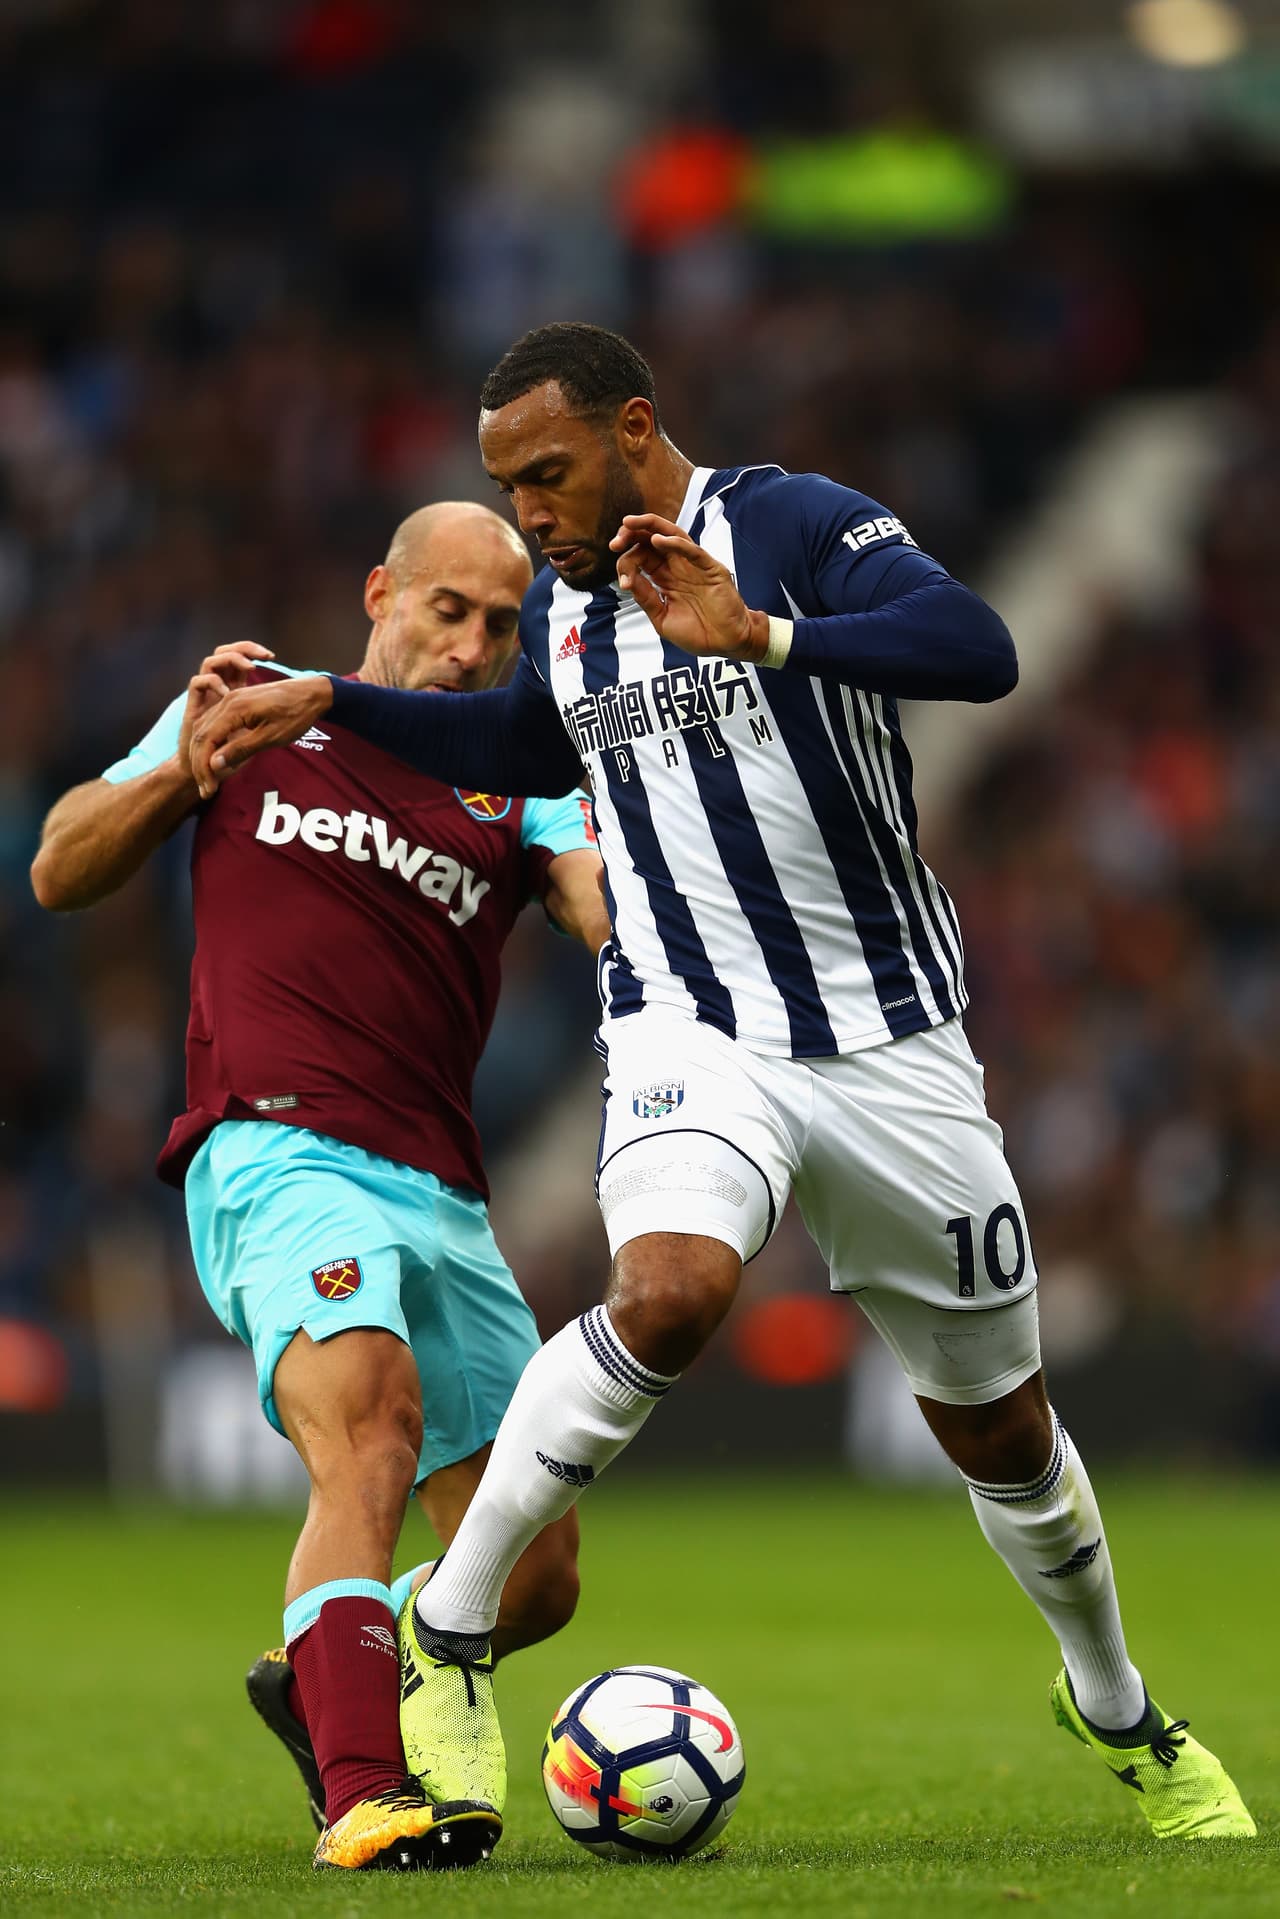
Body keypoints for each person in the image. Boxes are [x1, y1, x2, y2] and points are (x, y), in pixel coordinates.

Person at [188, 323, 1255, 1847]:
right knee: (674, 1287)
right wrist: (336, 704)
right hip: (691, 1024)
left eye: (547, 476)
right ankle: (451, 1633)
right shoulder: (560, 609)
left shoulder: (798, 524)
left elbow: (981, 650)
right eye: (504, 483)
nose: (532, 513)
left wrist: (760, 635)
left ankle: (1115, 1704)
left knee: (1004, 1431)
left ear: (635, 429)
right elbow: (504, 734)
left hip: (892, 1040)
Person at [30, 499, 611, 1873]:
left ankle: (323, 1668)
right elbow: (62, 862)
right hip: (277, 1147)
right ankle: (363, 1792)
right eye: (448, 611)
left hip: (444, 1190)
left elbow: (598, 905)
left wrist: (628, 901)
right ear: (379, 596)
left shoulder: (518, 772)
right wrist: (185, 762)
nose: (472, 648)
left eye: (500, 625)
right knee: (369, 1427)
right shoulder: (258, 713)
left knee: (535, 1577)